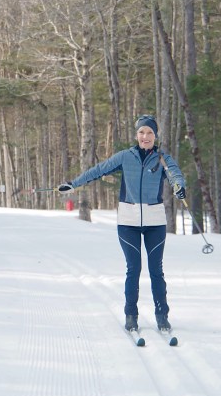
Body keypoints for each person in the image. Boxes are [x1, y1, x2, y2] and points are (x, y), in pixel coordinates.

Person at [58, 115, 186, 332]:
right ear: (136, 135)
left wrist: (178, 186)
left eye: (150, 133)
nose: (145, 137)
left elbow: (175, 174)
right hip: (128, 221)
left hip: (155, 222)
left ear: (156, 136)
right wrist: (73, 184)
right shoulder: (125, 157)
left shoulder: (162, 158)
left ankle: (162, 315)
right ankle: (130, 315)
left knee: (156, 270)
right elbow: (98, 170)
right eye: (142, 132)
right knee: (133, 269)